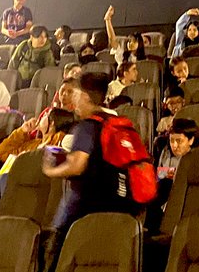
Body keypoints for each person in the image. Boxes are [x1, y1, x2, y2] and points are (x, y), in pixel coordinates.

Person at [44, 72, 137, 231]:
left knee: (56, 241)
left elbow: (77, 165)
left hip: (86, 208)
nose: (73, 98)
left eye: (76, 94)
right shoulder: (116, 122)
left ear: (86, 97)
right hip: (119, 209)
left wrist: (50, 170)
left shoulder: (87, 126)